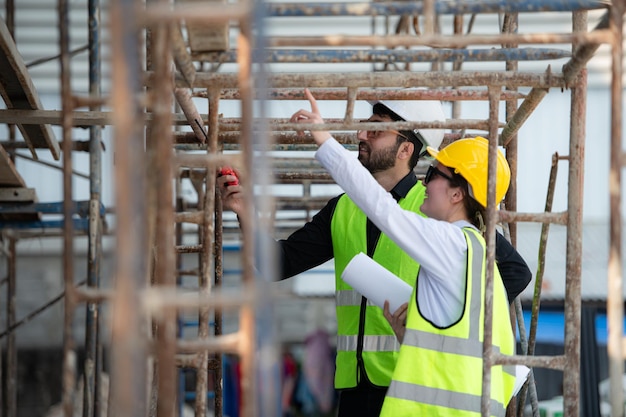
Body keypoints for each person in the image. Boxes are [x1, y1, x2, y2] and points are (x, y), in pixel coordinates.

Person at [218, 90, 531, 417]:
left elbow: (514, 272)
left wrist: (442, 314)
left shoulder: (440, 223)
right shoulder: (342, 211)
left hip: (409, 375)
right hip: (355, 383)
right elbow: (277, 264)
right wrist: (244, 212)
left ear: (406, 149)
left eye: (377, 129)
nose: (361, 135)